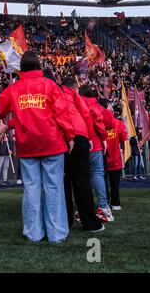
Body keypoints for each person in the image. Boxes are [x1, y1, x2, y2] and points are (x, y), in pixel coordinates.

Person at [0, 51, 75, 243]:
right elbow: (62, 113)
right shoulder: (50, 85)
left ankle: (34, 233)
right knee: (54, 187)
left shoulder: (14, 89)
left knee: (31, 188)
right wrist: (70, 136)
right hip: (52, 142)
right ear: (39, 65)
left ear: (21, 67)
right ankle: (56, 234)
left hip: (27, 145)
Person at [61, 78, 104, 232]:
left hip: (62, 137)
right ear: (75, 88)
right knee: (82, 181)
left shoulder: (56, 93)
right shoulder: (74, 95)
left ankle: (65, 221)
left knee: (64, 181)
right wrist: (91, 137)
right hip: (80, 135)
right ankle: (90, 223)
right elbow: (86, 114)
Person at [79, 85, 115, 223]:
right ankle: (103, 207)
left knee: (82, 177)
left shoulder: (75, 103)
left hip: (76, 143)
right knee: (97, 173)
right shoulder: (96, 106)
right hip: (95, 144)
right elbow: (108, 123)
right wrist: (104, 137)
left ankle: (84, 208)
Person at [103, 103, 128, 211]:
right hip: (115, 158)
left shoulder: (98, 122)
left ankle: (104, 203)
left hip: (102, 157)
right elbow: (123, 138)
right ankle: (115, 203)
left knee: (103, 183)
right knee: (115, 183)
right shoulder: (119, 123)